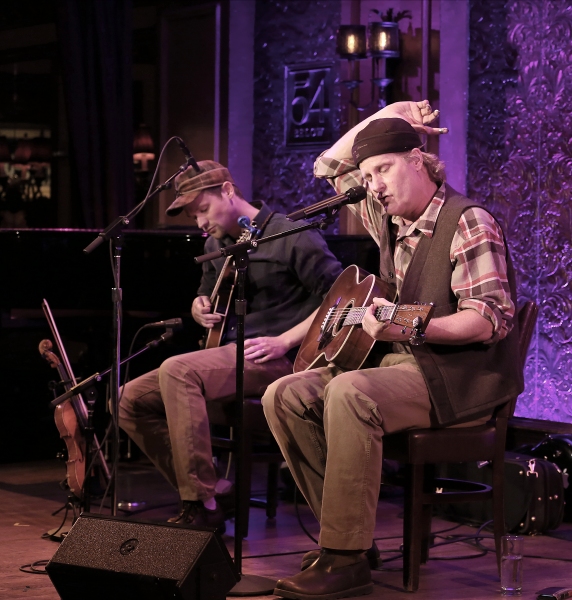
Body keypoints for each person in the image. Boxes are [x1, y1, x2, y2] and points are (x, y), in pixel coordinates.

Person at [262, 100, 523, 600]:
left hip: (459, 376)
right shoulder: (386, 214)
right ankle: (350, 541)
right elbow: (328, 166)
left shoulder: (470, 222)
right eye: (368, 175)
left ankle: (343, 557)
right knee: (284, 394)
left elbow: (489, 318)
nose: (373, 185)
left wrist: (407, 330)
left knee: (350, 391)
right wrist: (388, 112)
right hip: (403, 366)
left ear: (419, 160)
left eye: (383, 169)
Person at [118, 160, 343, 532]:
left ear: (227, 190)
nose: (200, 223)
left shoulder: (292, 235)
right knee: (127, 399)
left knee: (178, 369)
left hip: (284, 357)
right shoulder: (217, 244)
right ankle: (215, 491)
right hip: (230, 357)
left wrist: (284, 340)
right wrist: (198, 307)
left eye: (203, 210)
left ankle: (199, 504)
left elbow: (339, 298)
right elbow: (208, 293)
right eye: (193, 217)